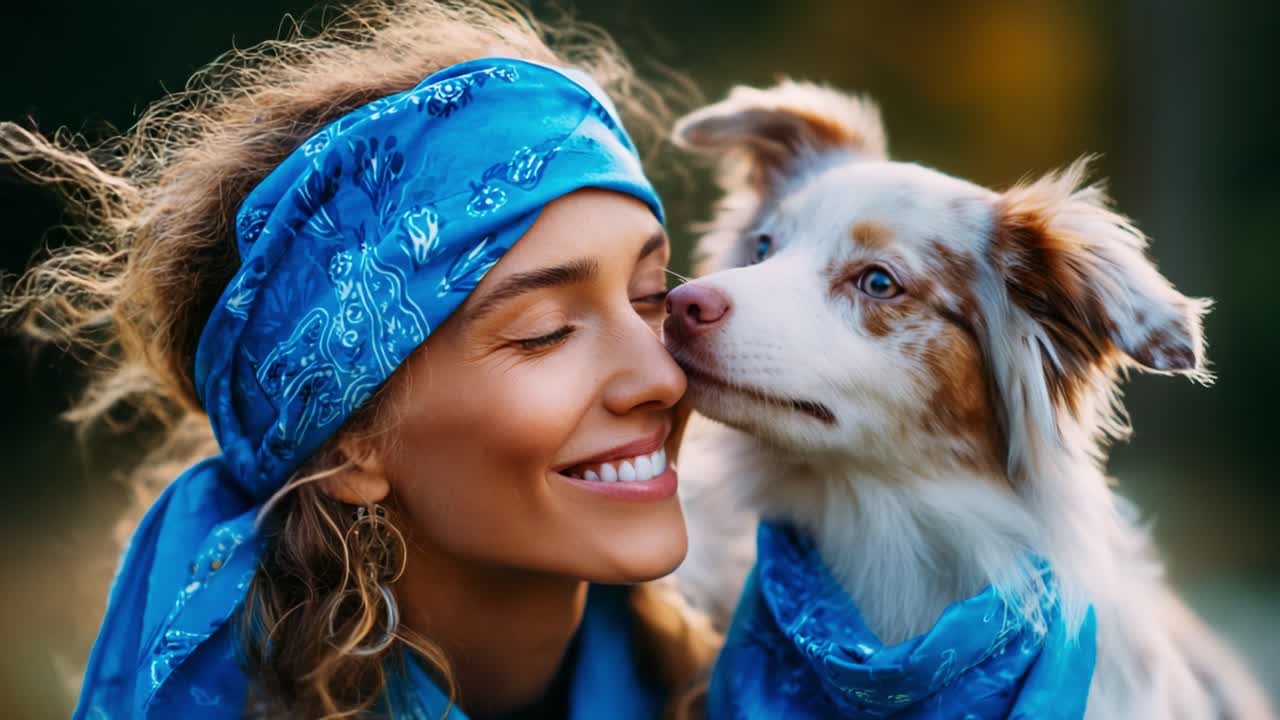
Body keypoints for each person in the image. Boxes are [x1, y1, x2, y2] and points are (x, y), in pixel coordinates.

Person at [0, 2, 718, 718]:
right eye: (545, 332)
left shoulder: (758, 680)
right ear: (349, 447)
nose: (661, 376)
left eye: (651, 296)